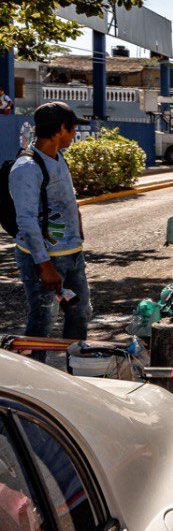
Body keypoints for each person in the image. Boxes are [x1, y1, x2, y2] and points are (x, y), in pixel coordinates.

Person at [10, 102, 91, 363]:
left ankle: (76, 370)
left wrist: (77, 227)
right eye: (72, 130)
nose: (74, 135)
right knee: (42, 320)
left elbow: (65, 197)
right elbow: (26, 220)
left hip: (71, 254)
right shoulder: (26, 168)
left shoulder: (58, 156)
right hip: (44, 259)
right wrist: (44, 265)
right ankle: (34, 385)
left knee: (79, 312)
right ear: (60, 130)